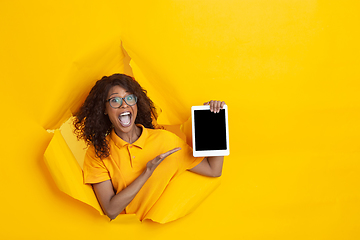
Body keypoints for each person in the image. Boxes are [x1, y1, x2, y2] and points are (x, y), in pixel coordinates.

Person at [74, 73, 225, 221]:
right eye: (115, 100)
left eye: (129, 98)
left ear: (136, 104)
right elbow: (111, 210)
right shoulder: (98, 152)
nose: (124, 104)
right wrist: (147, 172)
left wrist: (214, 120)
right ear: (104, 109)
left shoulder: (166, 142)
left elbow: (213, 169)